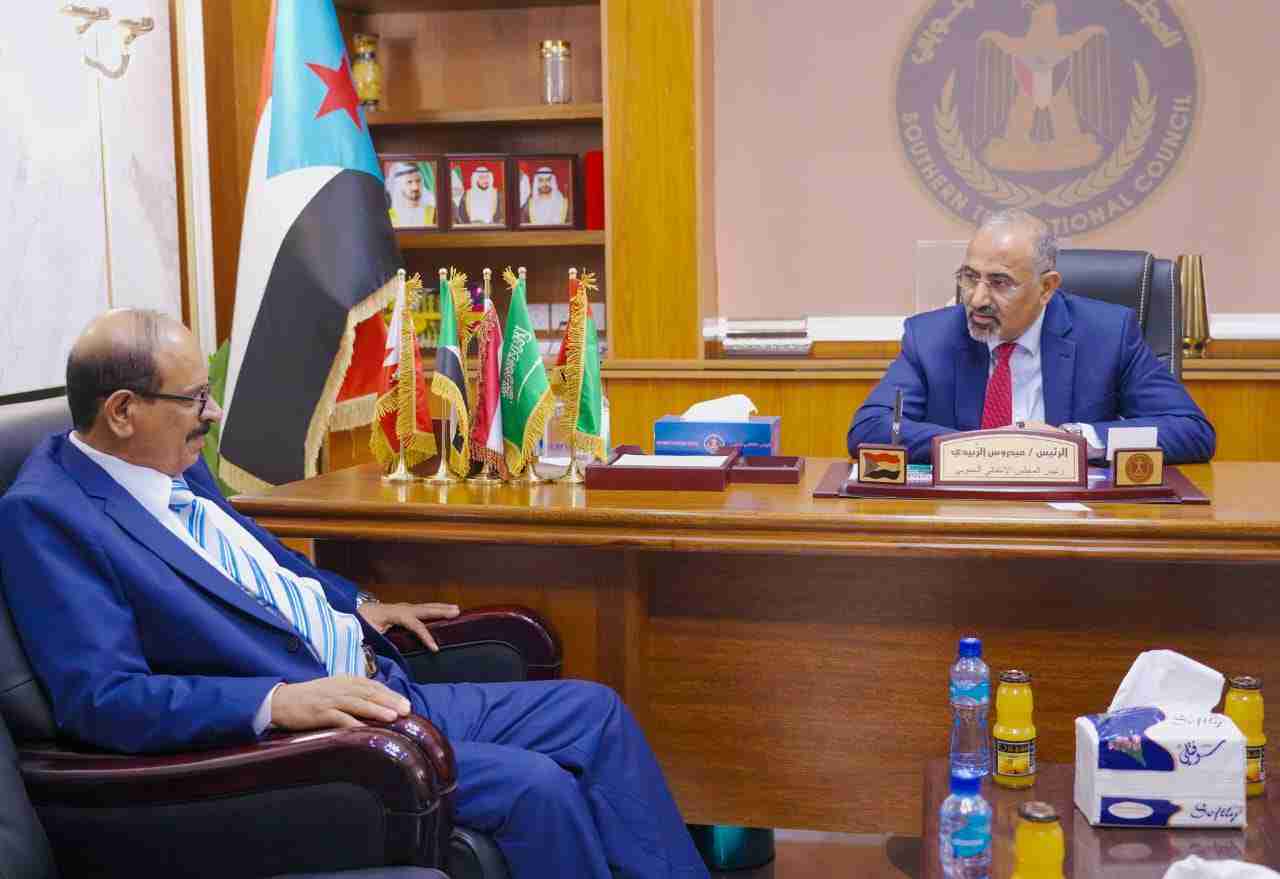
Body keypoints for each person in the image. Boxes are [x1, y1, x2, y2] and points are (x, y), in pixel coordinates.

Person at [0, 309, 709, 879]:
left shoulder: (163, 456)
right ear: (123, 411)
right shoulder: (47, 516)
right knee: (537, 787)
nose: (211, 413)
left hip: (381, 681)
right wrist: (275, 701)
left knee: (596, 714)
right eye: (195, 398)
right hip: (316, 738)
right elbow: (105, 699)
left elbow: (263, 559)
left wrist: (356, 603)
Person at [848, 210, 1215, 464]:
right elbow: (870, 429)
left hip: (1075, 524)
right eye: (970, 278)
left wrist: (1077, 441)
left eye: (999, 282)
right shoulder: (931, 337)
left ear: (1047, 287)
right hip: (960, 516)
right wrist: (984, 449)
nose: (976, 299)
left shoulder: (1108, 334)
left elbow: (1190, 430)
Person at [386, 161, 436, 228]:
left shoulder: (433, 213)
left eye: (418, 181)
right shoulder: (389, 217)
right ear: (399, 186)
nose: (415, 187)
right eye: (409, 182)